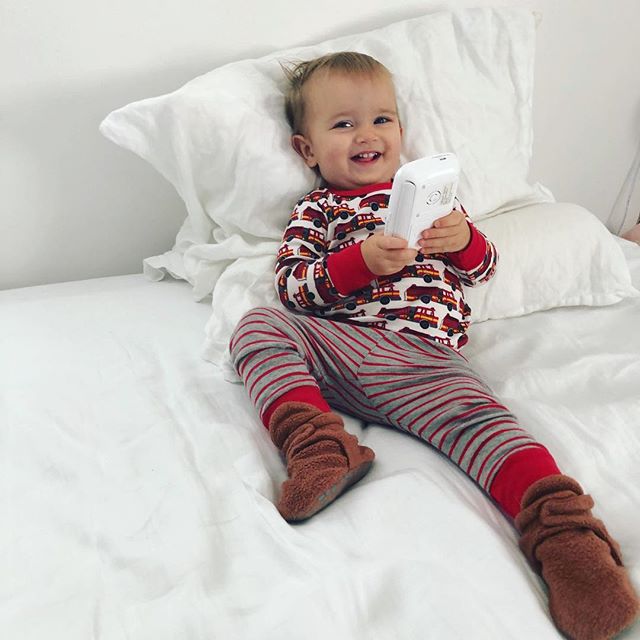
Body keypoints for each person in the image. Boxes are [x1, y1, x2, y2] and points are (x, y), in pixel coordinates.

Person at [229, 52, 638, 640]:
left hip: (428, 364)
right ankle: (318, 447)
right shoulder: (315, 210)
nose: (366, 135)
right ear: (307, 150)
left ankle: (568, 540)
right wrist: (358, 261)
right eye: (342, 124)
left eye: (382, 120)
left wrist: (463, 239)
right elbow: (297, 285)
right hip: (343, 346)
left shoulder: (434, 201)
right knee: (259, 326)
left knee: (494, 431)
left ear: (401, 130)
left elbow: (485, 267)